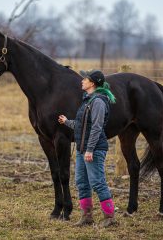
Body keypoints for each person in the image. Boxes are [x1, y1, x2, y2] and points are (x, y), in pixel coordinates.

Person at [58, 69, 117, 227]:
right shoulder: (87, 100)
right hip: (81, 148)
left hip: (94, 149)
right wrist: (67, 122)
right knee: (81, 182)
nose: (82, 80)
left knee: (97, 182)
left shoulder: (98, 102)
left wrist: (90, 150)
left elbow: (97, 128)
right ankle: (87, 217)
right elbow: (82, 125)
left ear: (93, 83)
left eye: (85, 79)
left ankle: (110, 217)